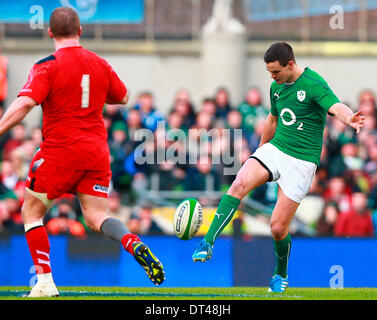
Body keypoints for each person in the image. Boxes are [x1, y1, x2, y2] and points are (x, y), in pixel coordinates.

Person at [0, 7, 164, 297]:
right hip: (97, 153)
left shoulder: (46, 65)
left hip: (60, 151)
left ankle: (45, 283)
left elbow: (26, 103)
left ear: (50, 32)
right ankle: (131, 241)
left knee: (31, 212)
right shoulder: (99, 63)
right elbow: (123, 96)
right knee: (96, 216)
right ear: (81, 31)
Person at [192, 41, 365, 293]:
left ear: (291, 64)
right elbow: (272, 119)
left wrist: (349, 117)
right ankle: (207, 243)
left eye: (276, 71)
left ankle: (280, 274)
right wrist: (260, 151)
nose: (272, 77)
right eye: (269, 72)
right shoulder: (277, 86)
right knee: (239, 184)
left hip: (302, 162)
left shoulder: (314, 84)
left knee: (277, 227)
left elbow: (335, 106)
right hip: (276, 148)